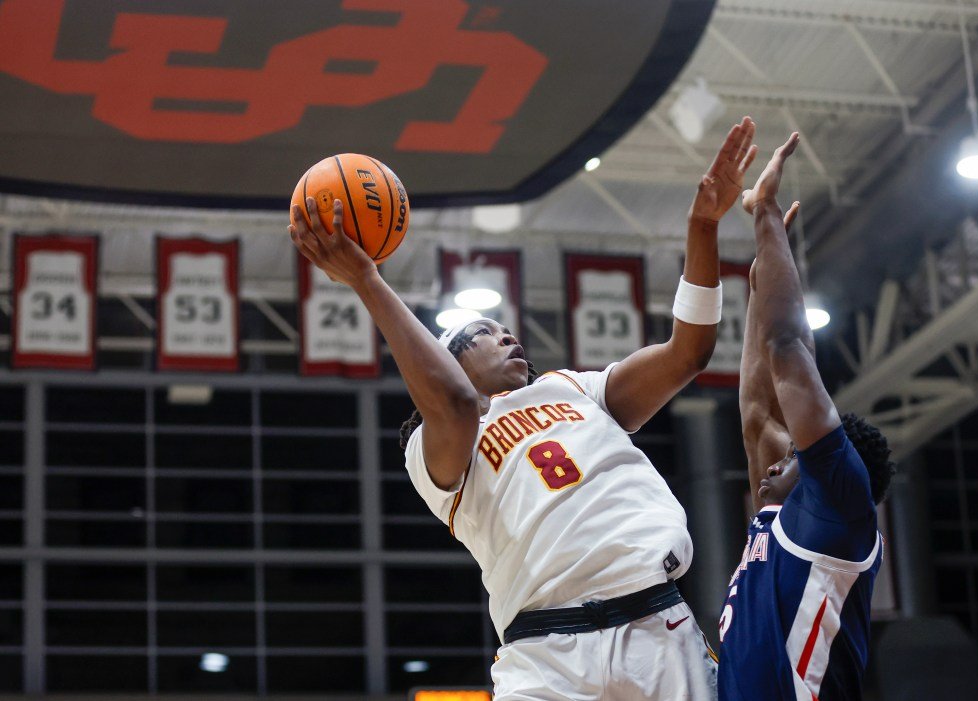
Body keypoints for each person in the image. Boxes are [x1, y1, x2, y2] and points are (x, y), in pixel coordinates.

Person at [289, 118, 762, 700]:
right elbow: (454, 403)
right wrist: (367, 279)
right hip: (545, 657)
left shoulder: (576, 389)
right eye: (484, 334)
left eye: (506, 329)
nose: (509, 336)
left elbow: (689, 352)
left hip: (655, 627)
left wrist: (703, 227)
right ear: (449, 362)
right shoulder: (430, 447)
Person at [716, 132, 896, 701]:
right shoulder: (791, 517)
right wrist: (760, 279)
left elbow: (787, 345)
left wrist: (767, 217)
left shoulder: (839, 511)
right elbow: (758, 412)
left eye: (795, 456)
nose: (774, 466)